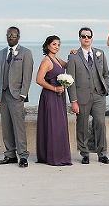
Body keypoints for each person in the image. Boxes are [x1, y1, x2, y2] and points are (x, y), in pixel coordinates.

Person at [66, 27, 109, 165]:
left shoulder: (100, 53)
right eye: (83, 36)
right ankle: (84, 153)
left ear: (92, 38)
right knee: (82, 126)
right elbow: (70, 80)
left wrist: (106, 88)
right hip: (82, 97)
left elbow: (106, 74)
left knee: (100, 123)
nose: (86, 38)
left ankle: (102, 153)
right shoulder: (73, 57)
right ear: (79, 38)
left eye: (89, 36)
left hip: (98, 96)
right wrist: (73, 101)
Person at [0, 26, 34, 168]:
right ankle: (9, 155)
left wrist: (23, 93)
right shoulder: (1, 53)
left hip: (17, 95)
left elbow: (27, 75)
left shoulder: (26, 53)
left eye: (14, 35)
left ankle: (23, 156)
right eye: (9, 35)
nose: (11, 37)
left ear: (18, 36)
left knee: (19, 127)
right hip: (3, 94)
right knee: (6, 127)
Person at [33, 35, 71, 166]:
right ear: (48, 45)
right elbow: (39, 79)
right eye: (54, 44)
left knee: (59, 125)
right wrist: (54, 89)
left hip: (60, 97)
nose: (57, 47)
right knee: (52, 125)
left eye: (59, 45)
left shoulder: (57, 59)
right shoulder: (46, 61)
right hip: (50, 97)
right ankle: (52, 156)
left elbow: (69, 65)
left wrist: (73, 54)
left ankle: (59, 154)